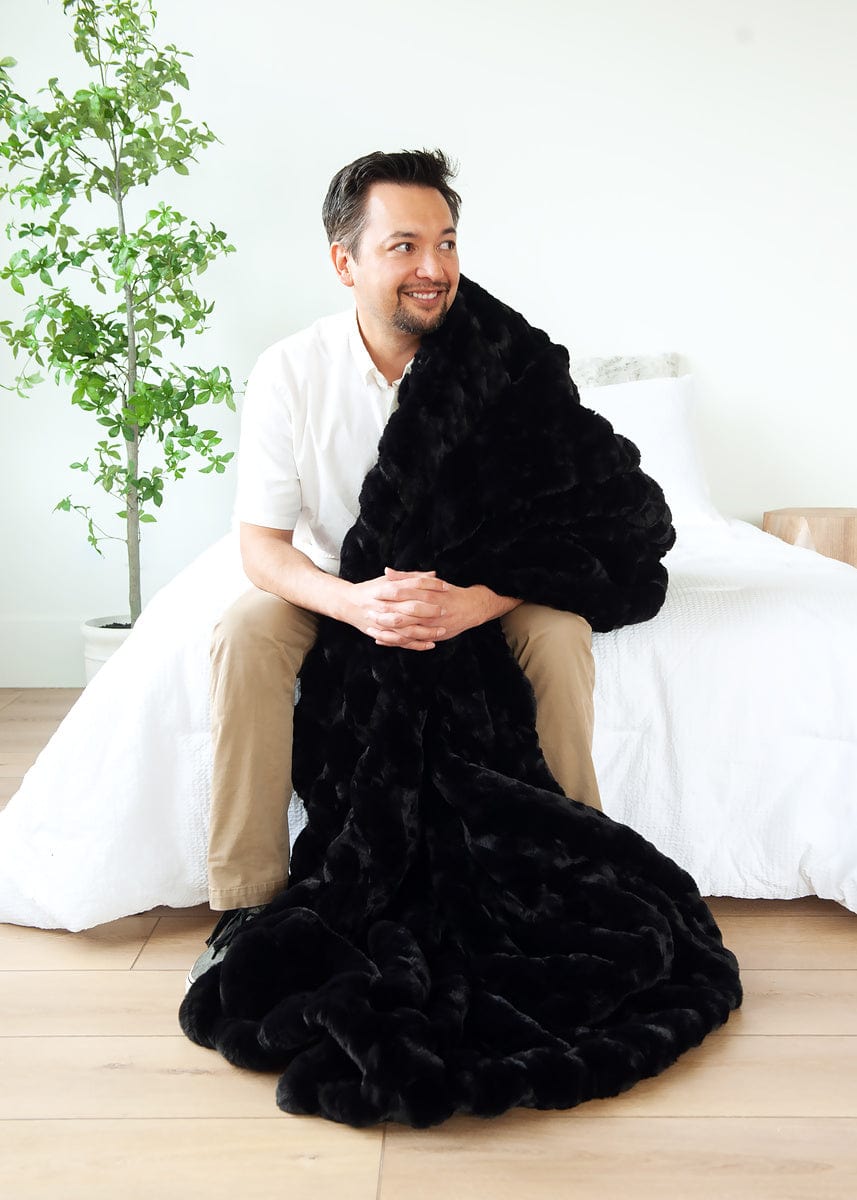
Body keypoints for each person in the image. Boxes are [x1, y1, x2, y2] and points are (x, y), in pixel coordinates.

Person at [188, 149, 603, 985]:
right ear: (344, 262)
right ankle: (249, 895)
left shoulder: (503, 366)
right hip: (342, 580)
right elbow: (262, 547)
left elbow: (561, 527)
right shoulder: (290, 371)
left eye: (446, 244)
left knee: (560, 632)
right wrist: (356, 606)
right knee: (243, 629)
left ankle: (576, 867)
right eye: (405, 246)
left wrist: (475, 603)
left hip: (482, 579)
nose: (434, 268)